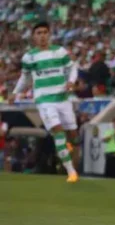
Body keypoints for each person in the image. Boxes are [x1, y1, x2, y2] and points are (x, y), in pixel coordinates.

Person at [8, 21, 79, 183]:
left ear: (50, 34)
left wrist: (71, 81)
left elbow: (72, 67)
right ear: (34, 37)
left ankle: (69, 151)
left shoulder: (60, 52)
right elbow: (25, 78)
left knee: (73, 134)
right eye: (39, 33)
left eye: (45, 32)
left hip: (62, 98)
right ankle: (71, 171)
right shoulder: (29, 57)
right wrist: (15, 93)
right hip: (44, 99)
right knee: (57, 130)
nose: (42, 36)